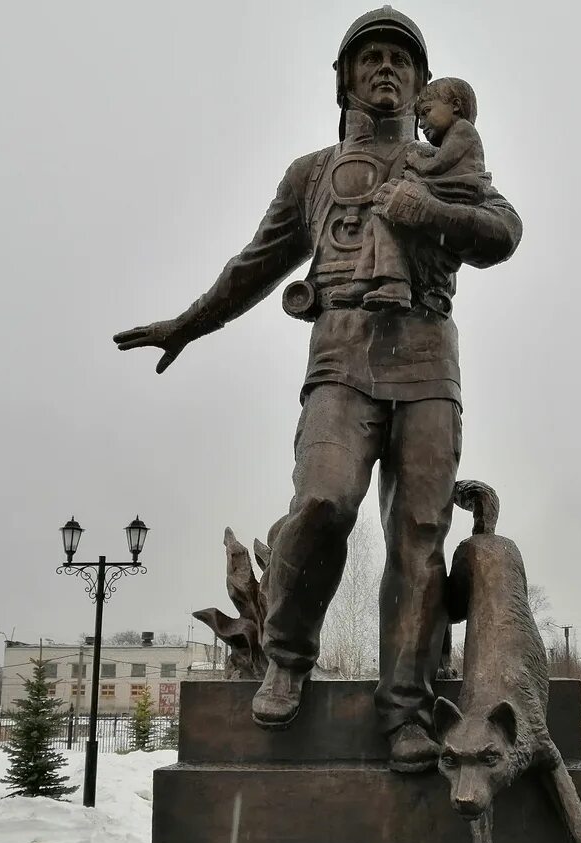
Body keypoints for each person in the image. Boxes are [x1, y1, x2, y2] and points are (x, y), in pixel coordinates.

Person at [113, 7, 522, 774]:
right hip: (340, 352)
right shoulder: (312, 174)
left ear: (423, 83)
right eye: (371, 57)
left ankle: (405, 709)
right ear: (344, 78)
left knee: (421, 535)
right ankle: (288, 654)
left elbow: (504, 232)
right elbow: (254, 264)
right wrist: (187, 325)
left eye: (401, 59)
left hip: (427, 354)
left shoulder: (447, 162)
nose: (386, 68)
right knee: (323, 500)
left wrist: (432, 212)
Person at [352, 76, 489, 311]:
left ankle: (396, 285)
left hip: (455, 190)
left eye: (426, 113)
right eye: (419, 118)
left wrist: (418, 167)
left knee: (388, 213)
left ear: (455, 106)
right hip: (442, 188)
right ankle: (364, 280)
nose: (422, 123)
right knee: (379, 216)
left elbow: (439, 164)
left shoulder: (462, 130)